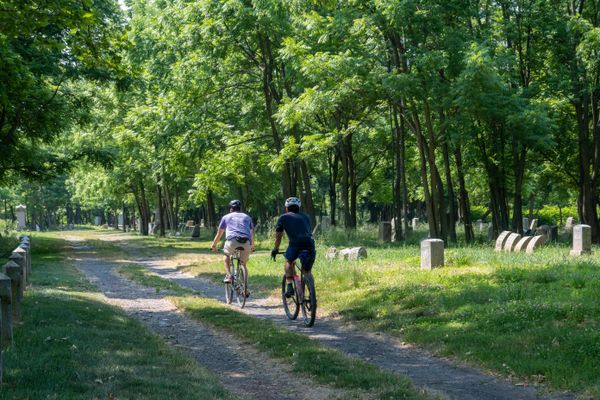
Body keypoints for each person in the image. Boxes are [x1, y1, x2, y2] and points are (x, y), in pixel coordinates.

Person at [271, 197, 316, 297]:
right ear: (299, 207)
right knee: (307, 271)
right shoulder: (306, 217)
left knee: (289, 260)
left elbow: (278, 237)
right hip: (310, 243)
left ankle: (290, 286)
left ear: (286, 208)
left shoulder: (283, 217)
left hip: (295, 244)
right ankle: (312, 295)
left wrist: (275, 249)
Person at [210, 200, 254, 284]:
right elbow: (251, 234)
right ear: (239, 209)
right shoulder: (247, 217)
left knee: (226, 255)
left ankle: (229, 275)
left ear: (230, 209)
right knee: (243, 264)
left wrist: (213, 245)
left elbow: (219, 233)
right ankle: (245, 289)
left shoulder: (226, 217)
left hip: (232, 241)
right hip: (246, 242)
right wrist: (252, 247)